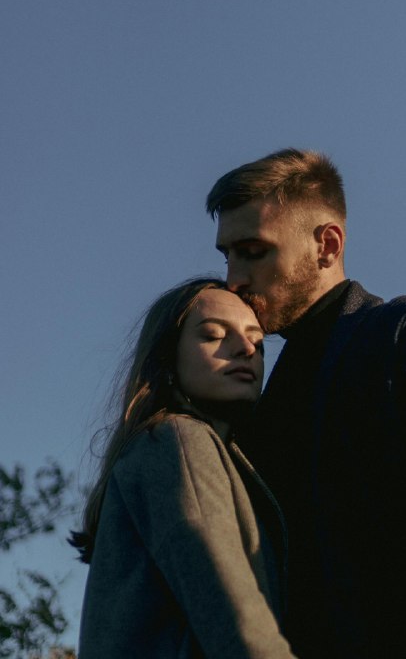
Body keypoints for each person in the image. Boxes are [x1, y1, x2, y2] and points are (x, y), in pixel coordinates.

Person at [206, 148, 406, 659]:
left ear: (327, 245)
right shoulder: (259, 400)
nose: (233, 279)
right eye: (227, 256)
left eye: (254, 251)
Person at [71, 278, 297, 659]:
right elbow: (235, 620)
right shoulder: (177, 438)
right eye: (214, 336)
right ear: (167, 360)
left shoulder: (194, 451)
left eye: (257, 342)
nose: (246, 349)